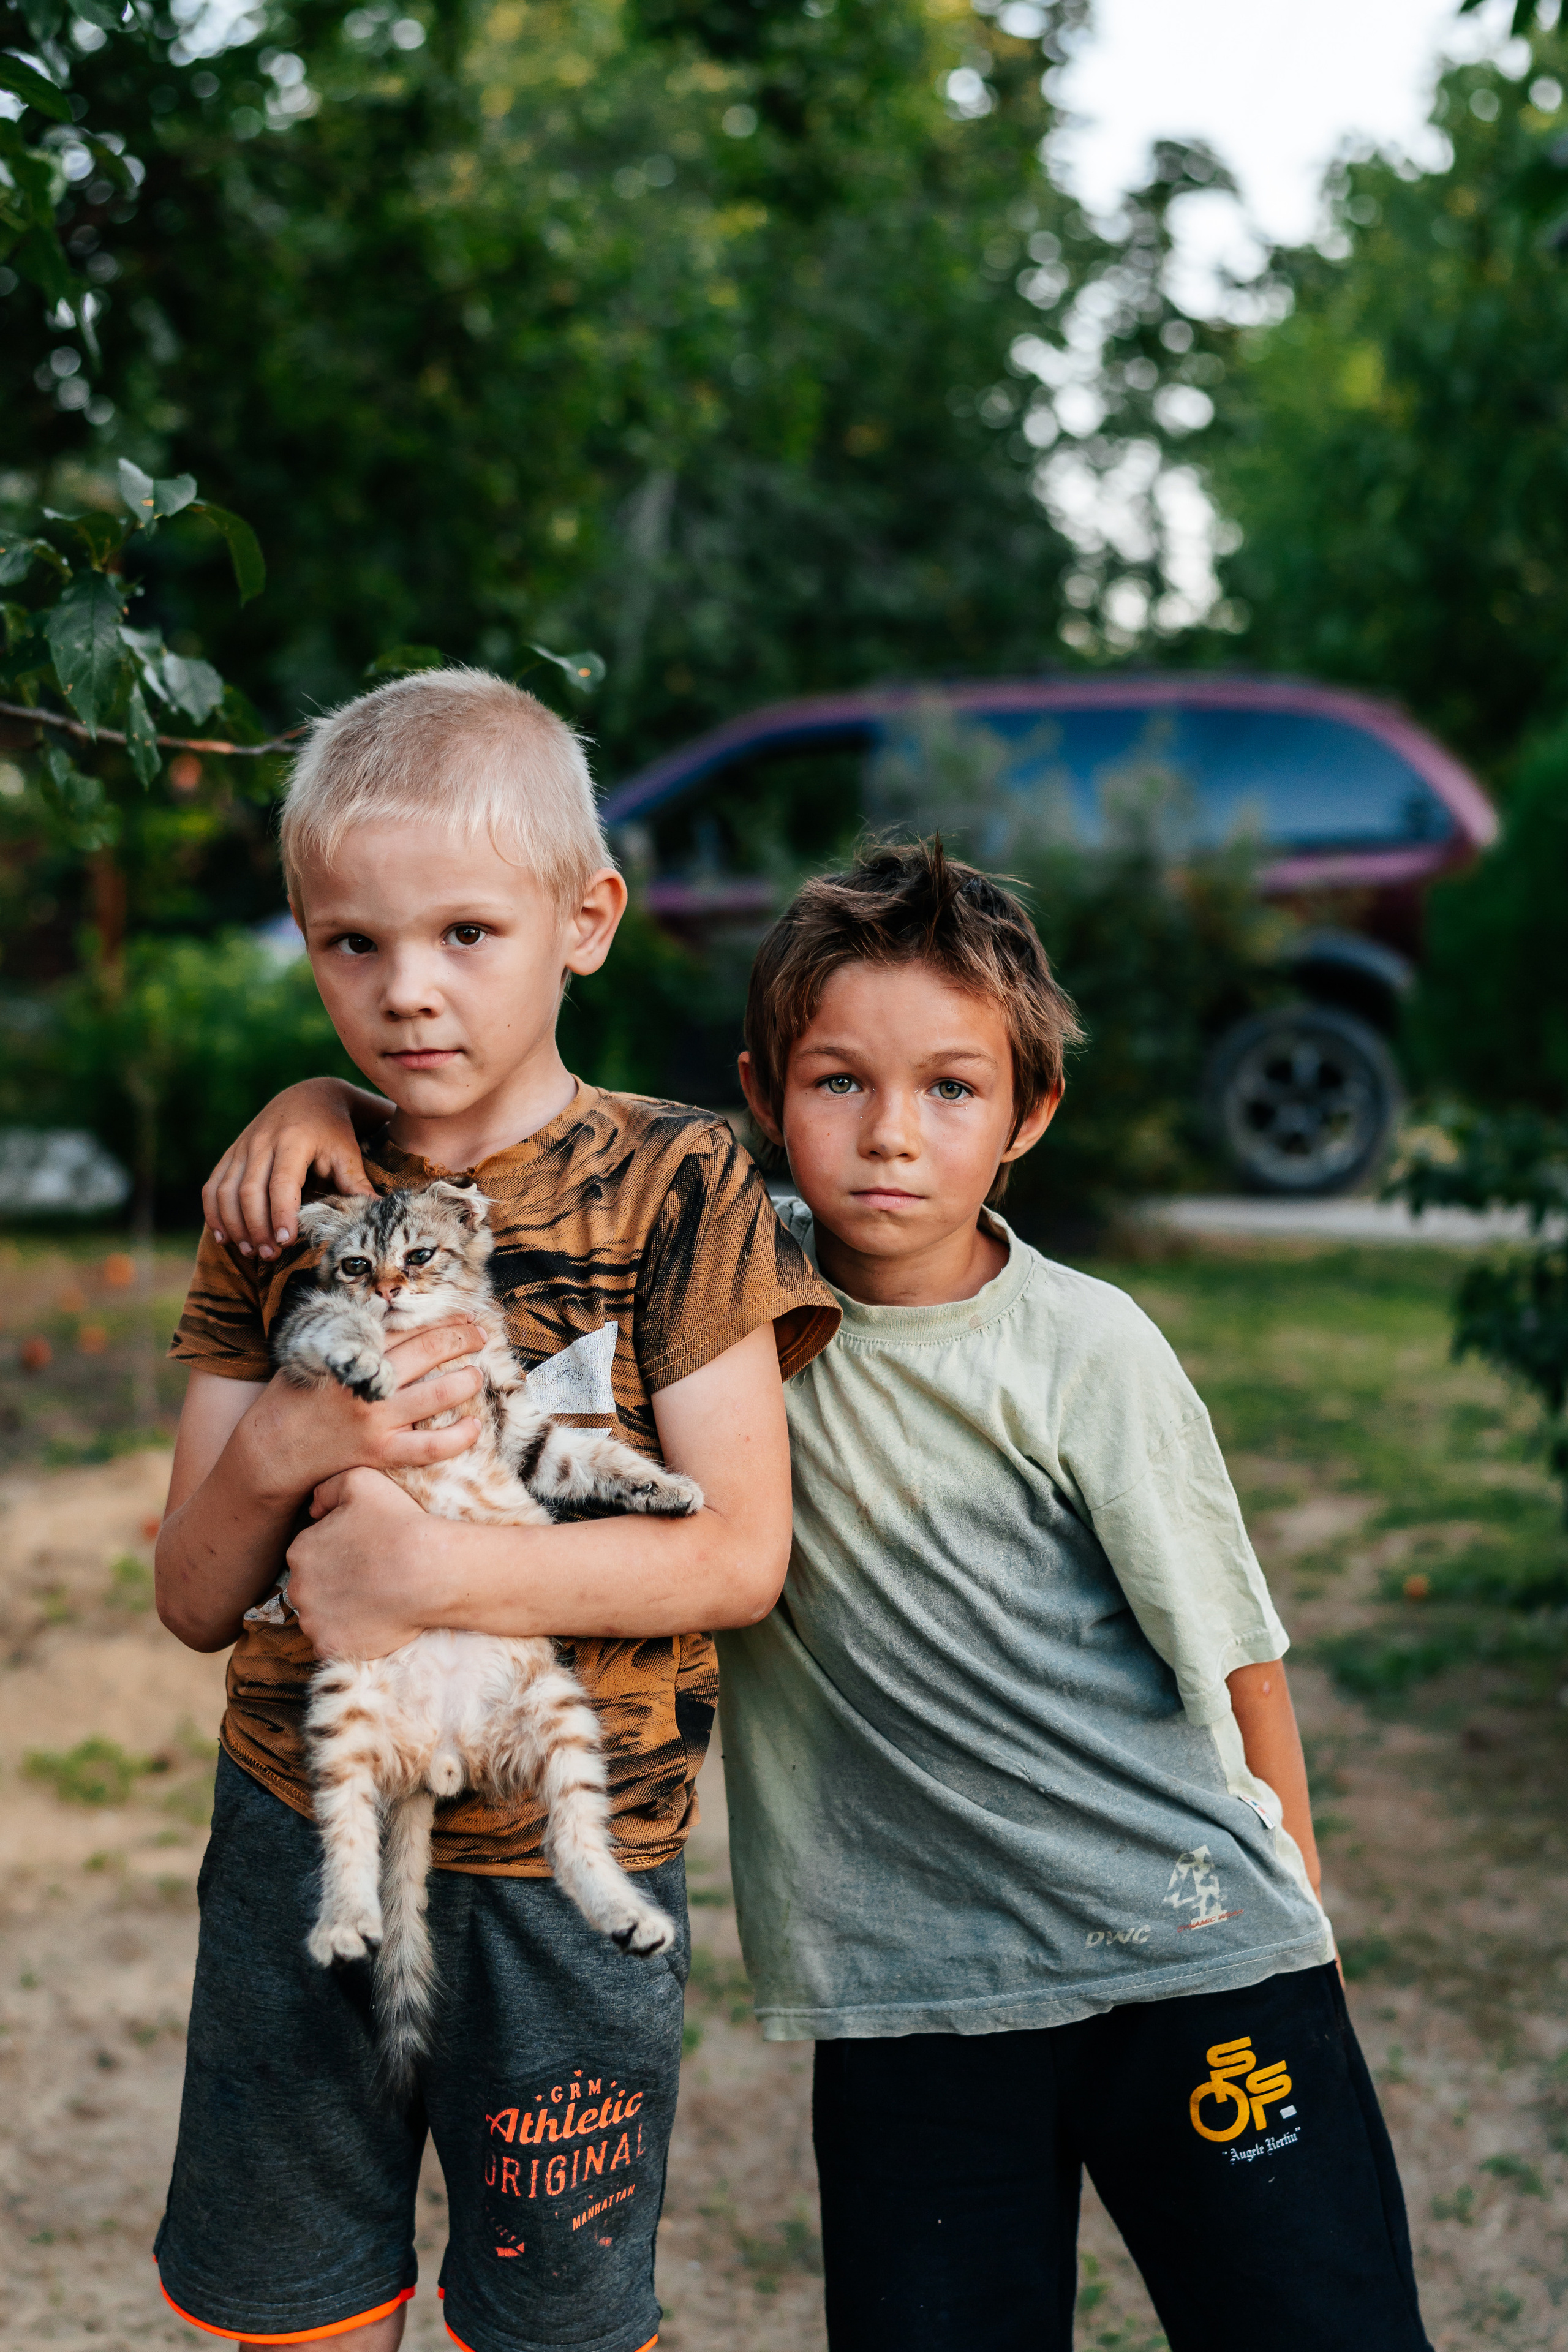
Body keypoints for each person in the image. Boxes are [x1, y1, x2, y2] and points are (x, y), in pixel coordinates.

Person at [205, 839, 1432, 2352]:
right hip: (908, 2001)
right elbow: (501, 1146)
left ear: (1029, 1113)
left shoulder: (1087, 1350)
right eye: (838, 1081)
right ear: (763, 1095)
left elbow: (1233, 1652)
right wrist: (321, 1104)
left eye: (951, 1089)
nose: (889, 1135)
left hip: (1190, 1958)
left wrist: (1296, 1907)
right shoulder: (713, 1310)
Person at [152, 666, 838, 2352]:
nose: (407, 990)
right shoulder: (281, 1208)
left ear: (584, 921)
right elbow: (191, 1592)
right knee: (293, 2309)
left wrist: (423, 1570)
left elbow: (739, 1554)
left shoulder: (682, 1184)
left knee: (555, 2325)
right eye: (352, 943)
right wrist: (288, 1438)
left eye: (467, 932)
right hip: (304, 1836)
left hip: (564, 1867)